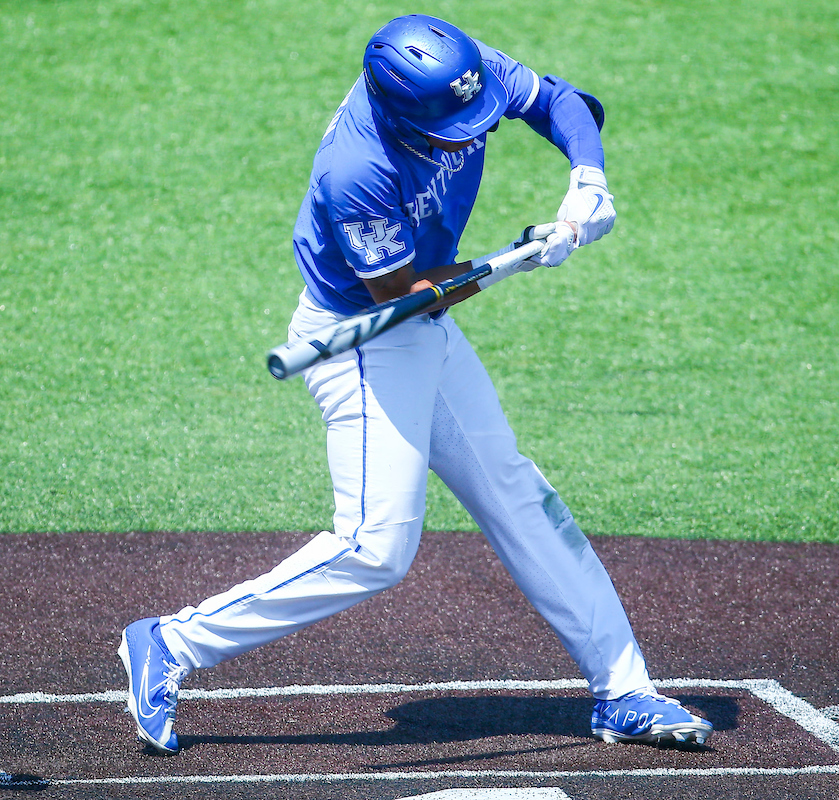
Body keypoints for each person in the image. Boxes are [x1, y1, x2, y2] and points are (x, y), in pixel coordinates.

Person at [116, 14, 712, 755]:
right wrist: (527, 255)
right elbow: (404, 294)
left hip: (423, 327)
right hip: (366, 340)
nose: (473, 135)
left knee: (518, 494)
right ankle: (170, 643)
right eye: (455, 129)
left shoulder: (458, 73)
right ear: (403, 115)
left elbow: (563, 103)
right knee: (374, 548)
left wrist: (586, 179)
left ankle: (624, 691)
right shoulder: (356, 171)